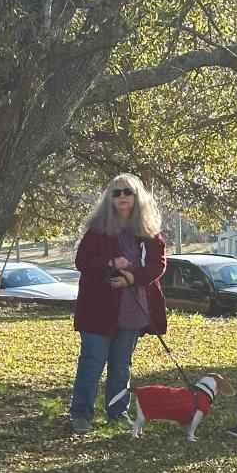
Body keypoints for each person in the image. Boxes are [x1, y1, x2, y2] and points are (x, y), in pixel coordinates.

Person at [70, 173, 167, 435]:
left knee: (122, 365)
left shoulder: (149, 232)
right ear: (109, 199)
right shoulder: (98, 229)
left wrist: (133, 278)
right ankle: (81, 414)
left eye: (127, 192)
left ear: (138, 196)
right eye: (116, 193)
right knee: (92, 362)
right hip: (98, 309)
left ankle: (117, 412)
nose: (122, 197)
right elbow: (83, 263)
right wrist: (111, 264)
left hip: (133, 309)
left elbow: (158, 265)